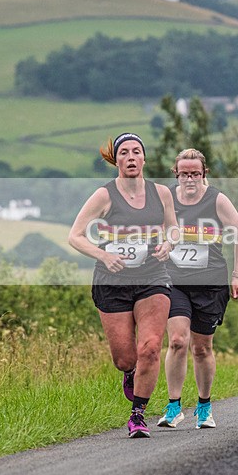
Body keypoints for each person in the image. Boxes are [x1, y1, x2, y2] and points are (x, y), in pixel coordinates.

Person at [68, 132, 176, 438]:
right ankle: (130, 372)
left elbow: (174, 229)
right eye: (124, 152)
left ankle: (138, 414)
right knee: (125, 358)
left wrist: (168, 244)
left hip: (153, 276)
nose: (131, 157)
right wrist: (103, 254)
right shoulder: (103, 195)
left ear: (144, 158)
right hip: (112, 281)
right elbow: (75, 235)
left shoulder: (161, 193)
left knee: (151, 348)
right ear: (116, 159)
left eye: (136, 152)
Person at [156, 148, 238, 429]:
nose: (190, 178)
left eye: (195, 173)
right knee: (177, 341)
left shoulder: (217, 199)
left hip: (210, 283)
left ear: (204, 173)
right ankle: (174, 407)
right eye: (184, 174)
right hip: (175, 280)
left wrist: (237, 275)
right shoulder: (167, 199)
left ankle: (204, 407)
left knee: (201, 348)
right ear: (176, 174)